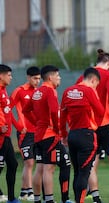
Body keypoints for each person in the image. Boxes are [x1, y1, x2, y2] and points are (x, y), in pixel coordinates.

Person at [76, 49, 109, 203]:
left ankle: (96, 198)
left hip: (88, 127)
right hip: (105, 125)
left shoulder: (84, 76)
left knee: (92, 164)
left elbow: (76, 94)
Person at [22, 65, 72, 203]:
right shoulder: (50, 91)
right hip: (50, 136)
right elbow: (54, 111)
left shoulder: (37, 92)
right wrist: (57, 129)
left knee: (41, 168)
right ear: (50, 77)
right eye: (58, 75)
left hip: (39, 136)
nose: (59, 78)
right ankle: (51, 200)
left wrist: (38, 122)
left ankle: (38, 199)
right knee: (53, 168)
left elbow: (26, 110)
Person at [60, 68, 105, 203]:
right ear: (93, 80)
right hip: (86, 135)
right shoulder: (89, 91)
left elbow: (62, 116)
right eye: (96, 84)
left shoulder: (67, 91)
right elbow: (101, 111)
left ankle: (76, 199)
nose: (95, 87)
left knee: (77, 173)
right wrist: (94, 124)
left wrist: (64, 134)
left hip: (72, 135)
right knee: (84, 173)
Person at [10, 66, 41, 201]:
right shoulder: (19, 91)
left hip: (38, 133)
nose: (37, 81)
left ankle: (24, 192)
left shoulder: (39, 92)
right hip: (24, 133)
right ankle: (28, 191)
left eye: (39, 78)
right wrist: (18, 126)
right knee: (29, 162)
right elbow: (6, 109)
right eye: (35, 78)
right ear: (28, 77)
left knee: (34, 163)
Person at [0, 64, 22, 203]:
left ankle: (12, 198)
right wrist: (1, 125)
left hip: (6, 135)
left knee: (13, 164)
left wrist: (18, 126)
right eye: (9, 75)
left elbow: (7, 112)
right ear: (1, 75)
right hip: (1, 135)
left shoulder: (4, 90)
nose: (11, 77)